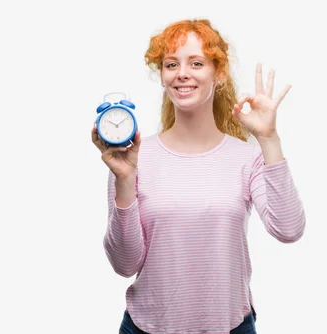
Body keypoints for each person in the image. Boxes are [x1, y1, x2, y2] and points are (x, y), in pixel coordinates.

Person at [91, 19, 306, 334]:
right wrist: (124, 178)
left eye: (196, 63)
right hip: (146, 328)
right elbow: (125, 265)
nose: (182, 73)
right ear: (163, 75)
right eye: (171, 64)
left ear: (218, 74)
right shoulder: (134, 157)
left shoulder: (247, 157)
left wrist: (269, 139)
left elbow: (289, 230)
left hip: (230, 326)